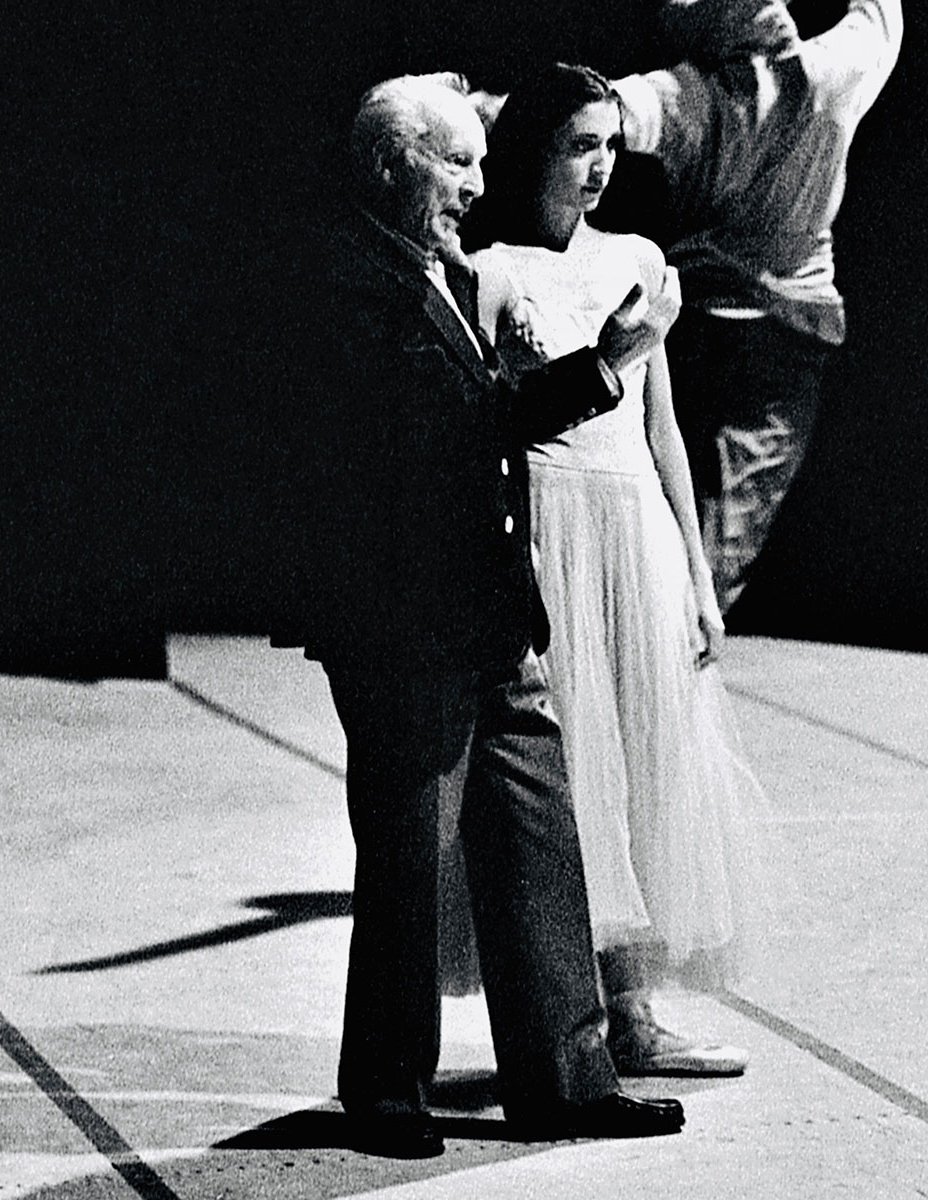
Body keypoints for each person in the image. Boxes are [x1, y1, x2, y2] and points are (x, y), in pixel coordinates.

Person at [268, 71, 687, 1159]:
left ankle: (569, 1077)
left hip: (486, 607)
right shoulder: (345, 280)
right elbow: (415, 446)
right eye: (457, 163)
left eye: (480, 161)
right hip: (404, 621)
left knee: (538, 834)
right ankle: (389, 1093)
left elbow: (482, 414)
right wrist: (593, 370)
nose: (477, 184)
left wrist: (604, 365)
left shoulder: (426, 270)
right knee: (410, 854)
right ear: (392, 167)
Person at [468, 62, 772, 1078]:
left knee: (648, 754)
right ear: (535, 152)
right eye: (577, 145)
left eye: (608, 144)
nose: (599, 167)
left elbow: (665, 430)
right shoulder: (496, 270)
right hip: (553, 529)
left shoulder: (641, 259)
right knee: (570, 769)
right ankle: (576, 1017)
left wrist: (696, 571)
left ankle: (642, 1011)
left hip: (634, 527)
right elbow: (485, 427)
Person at [611, 0, 904, 609]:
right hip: (783, 332)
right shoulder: (829, 74)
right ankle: (686, 646)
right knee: (726, 532)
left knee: (677, 510)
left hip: (697, 324)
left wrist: (473, 109)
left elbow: (589, 108)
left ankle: (666, 644)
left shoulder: (686, 95)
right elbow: (881, 19)